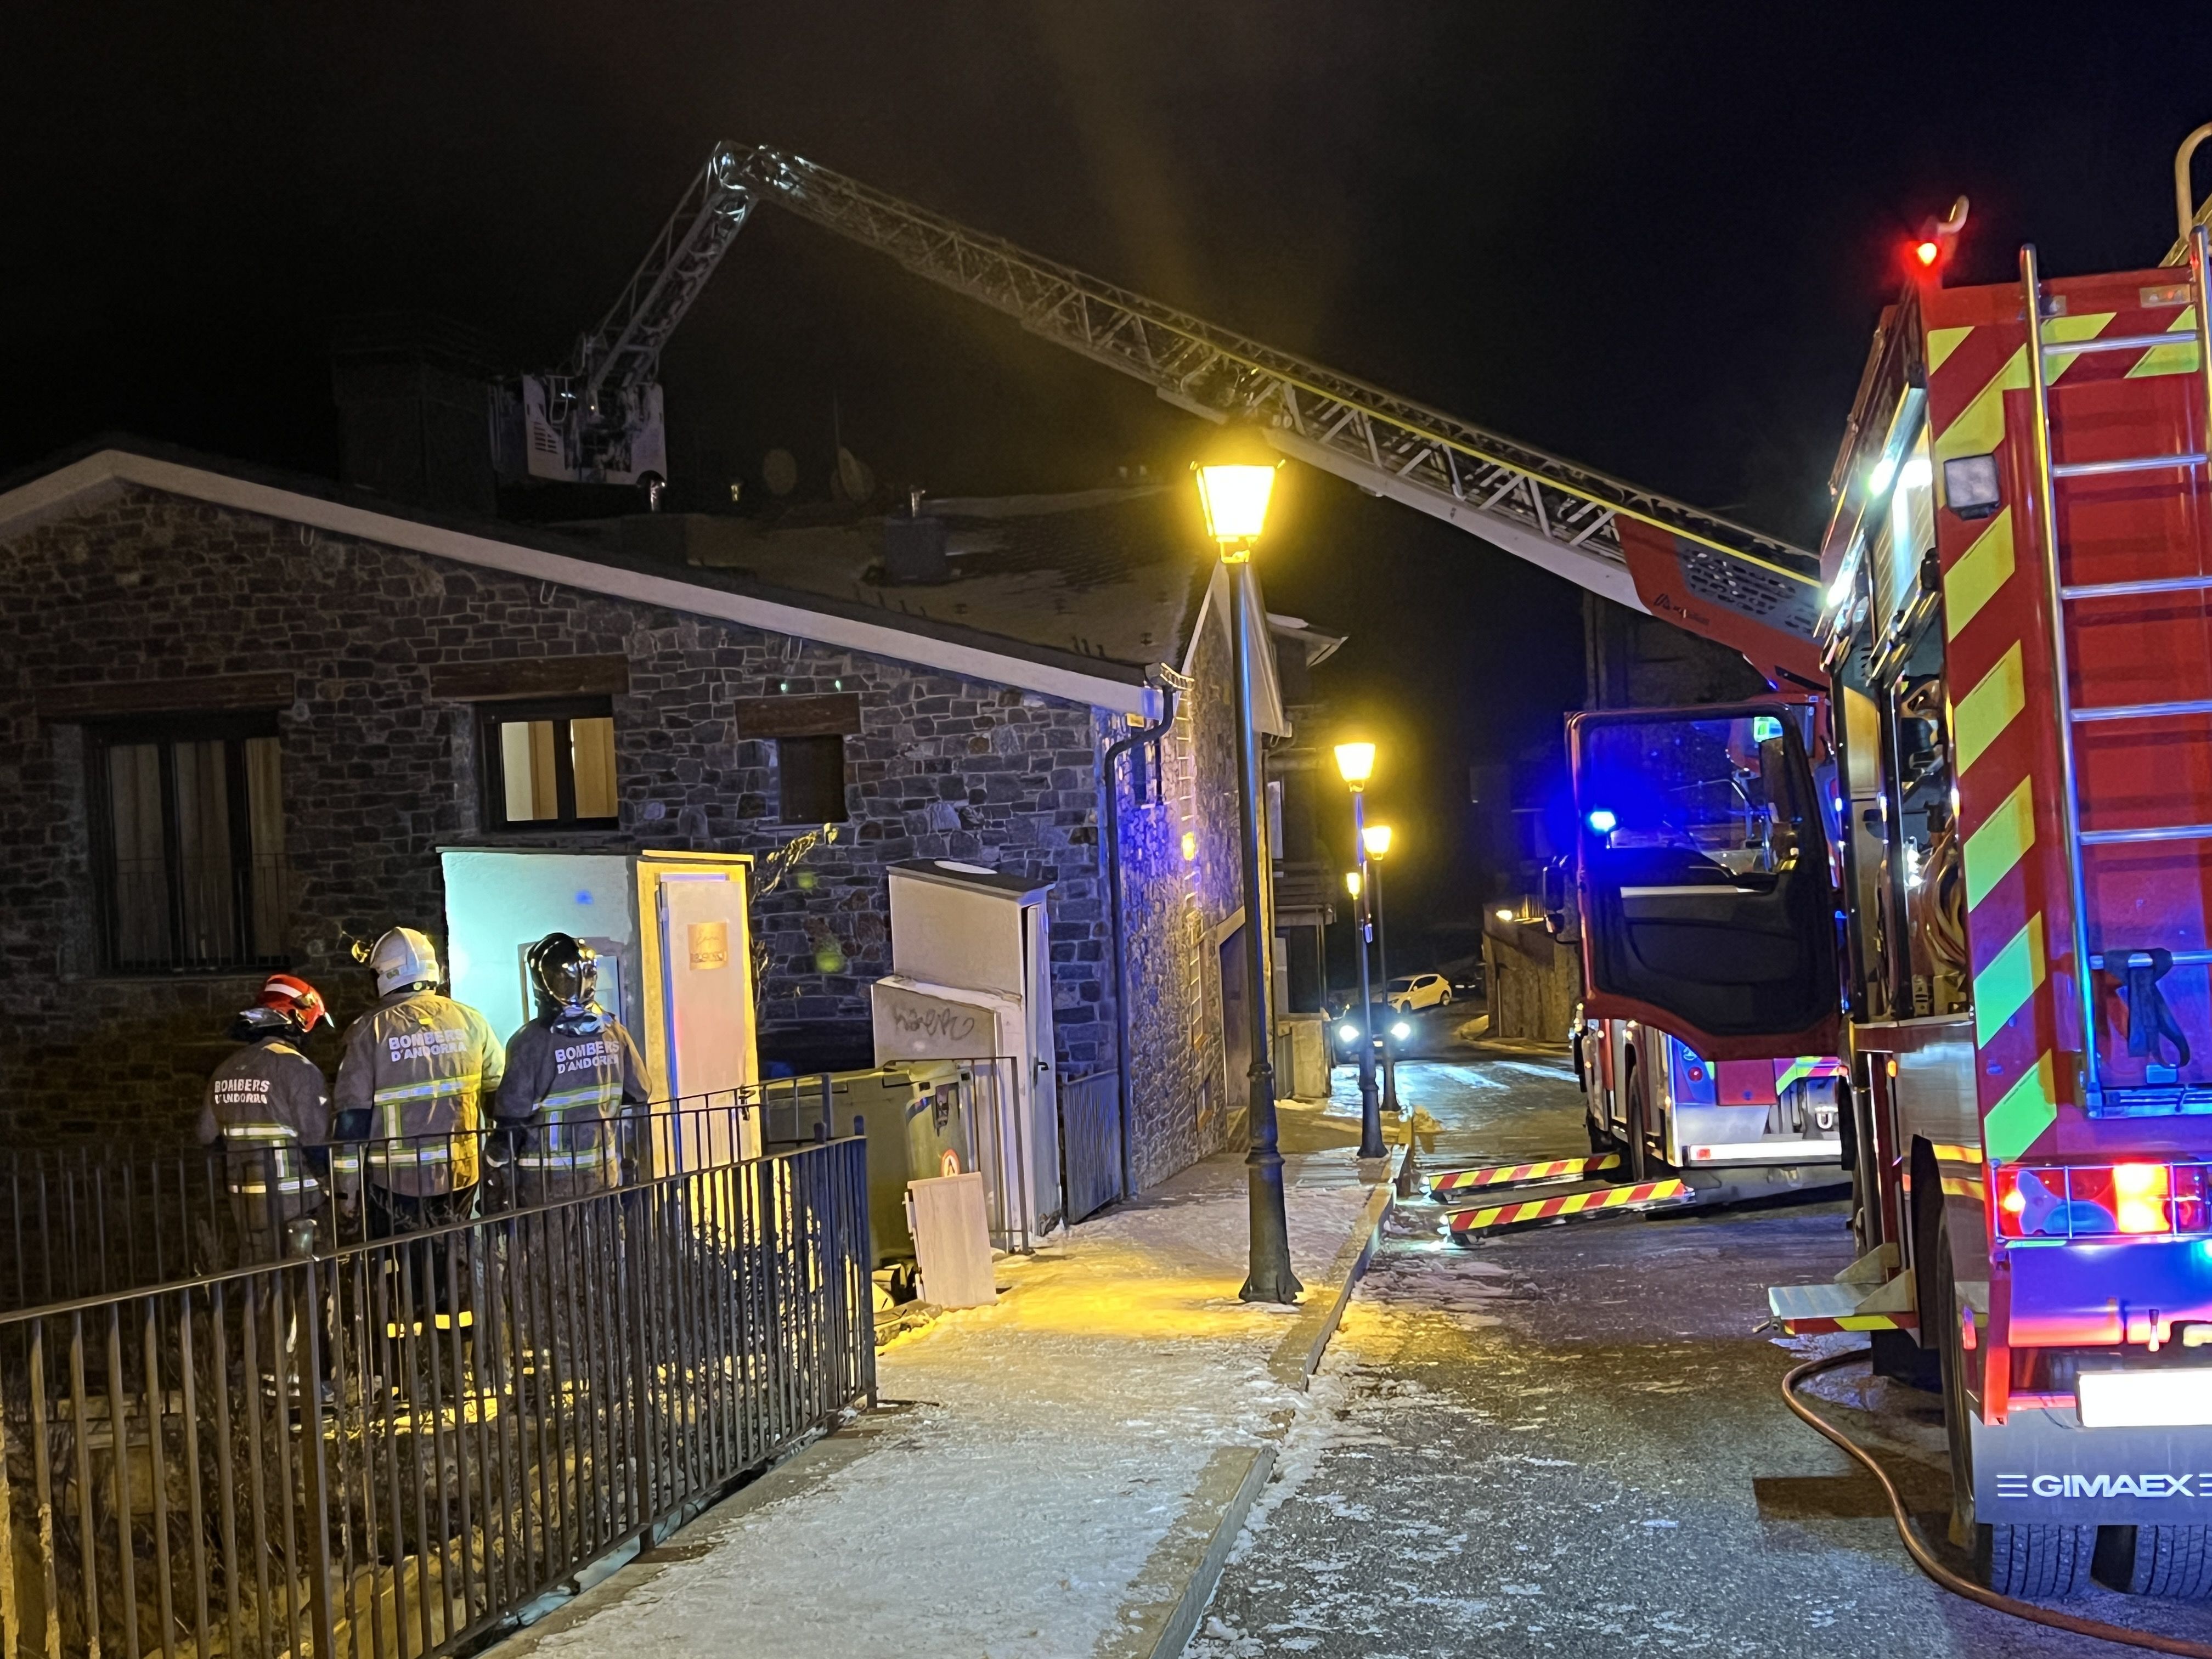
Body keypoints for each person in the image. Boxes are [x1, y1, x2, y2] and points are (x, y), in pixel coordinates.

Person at [334, 927, 505, 1347]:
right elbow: (499, 1095)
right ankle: (457, 1361)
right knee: (453, 1267)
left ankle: (405, 1370)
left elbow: (352, 1121)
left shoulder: (369, 1031)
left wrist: (346, 1195)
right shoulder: (471, 1020)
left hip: (393, 1183)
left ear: (384, 975)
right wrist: (497, 1160)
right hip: (460, 1176)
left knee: (399, 1276)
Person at [494, 934, 651, 1206]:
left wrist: (494, 1160)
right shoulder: (614, 1032)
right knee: (603, 1248)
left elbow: (512, 1116)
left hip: (547, 1183)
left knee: (552, 1250)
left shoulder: (528, 1042)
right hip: (604, 1172)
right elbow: (640, 1092)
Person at [198, 973, 334, 1263]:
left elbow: (206, 1136)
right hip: (299, 1208)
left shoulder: (224, 1070)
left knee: (260, 1286)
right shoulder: (299, 1069)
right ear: (299, 1020)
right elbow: (318, 1142)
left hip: (245, 1204)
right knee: (308, 1289)